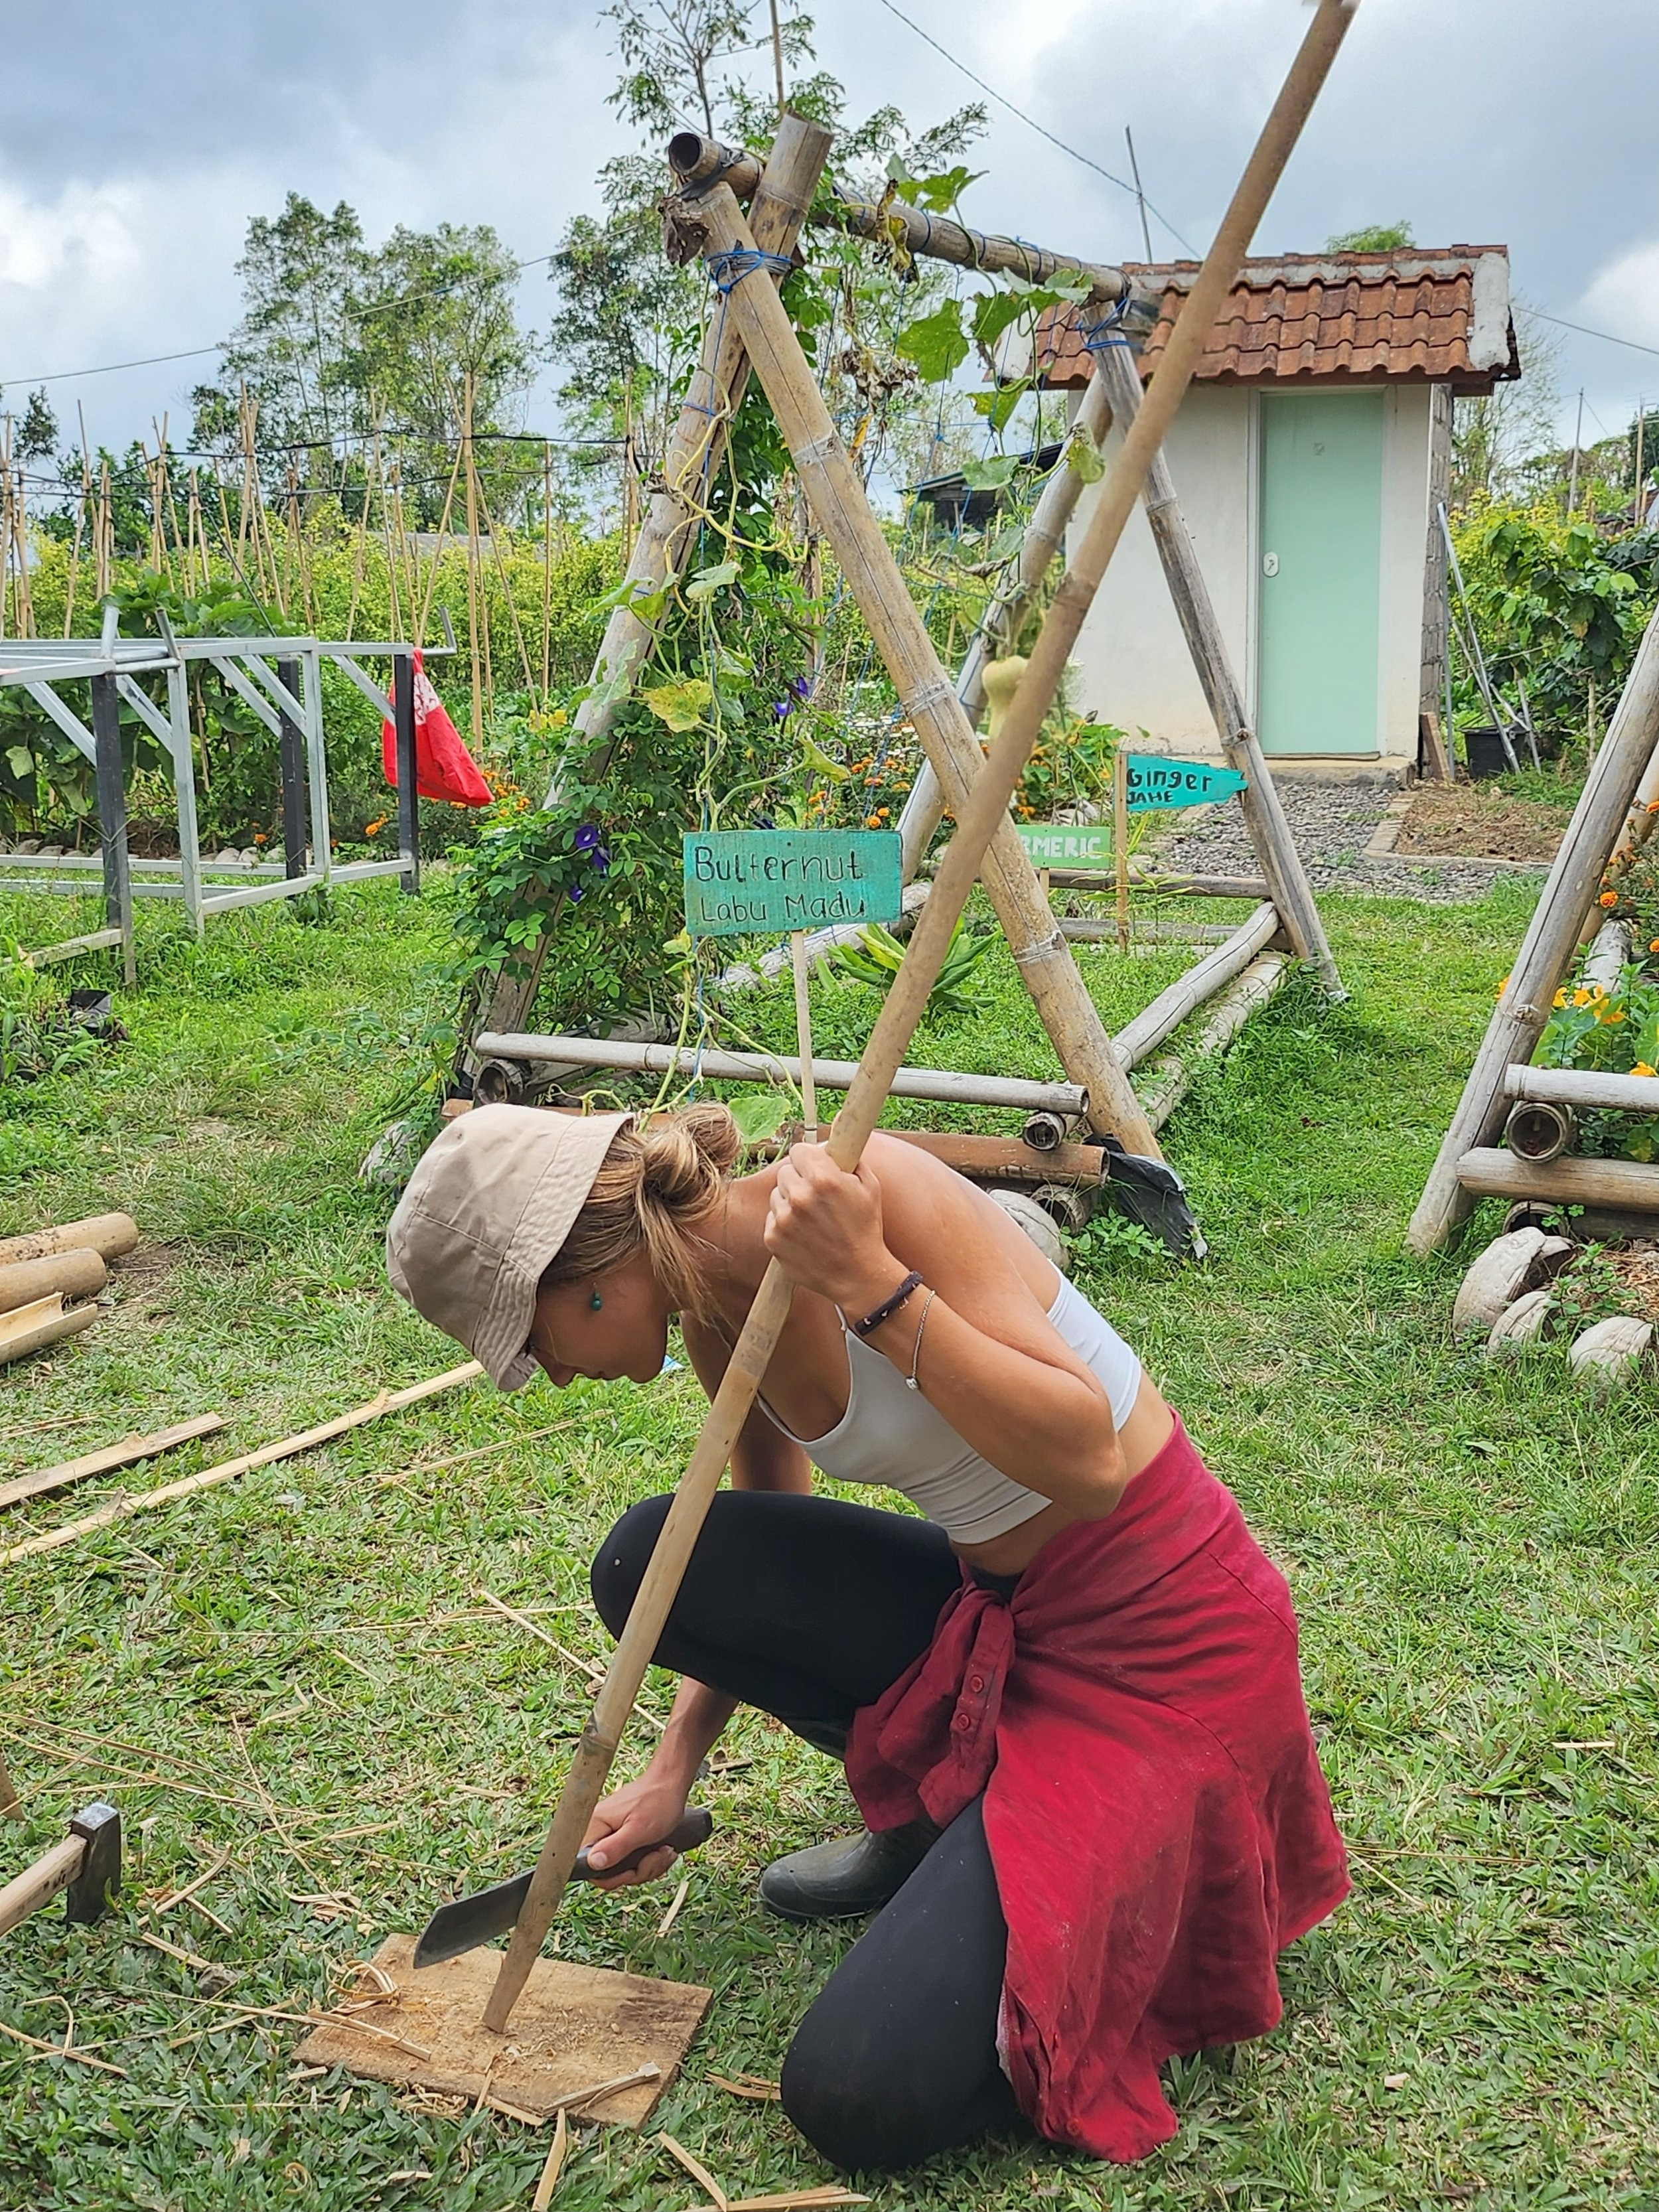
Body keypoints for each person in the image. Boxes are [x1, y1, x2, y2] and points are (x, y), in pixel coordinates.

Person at [387, 1102, 1348, 2172]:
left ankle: (1018, 1857)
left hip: (1165, 1644)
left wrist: (873, 1287)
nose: (553, 1377)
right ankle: (959, 1822)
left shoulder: (876, 1194)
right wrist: (673, 1766)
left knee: (854, 2089)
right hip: (1005, 1614)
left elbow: (1089, 1463)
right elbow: (769, 1542)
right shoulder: (715, 1310)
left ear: (591, 1270)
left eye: (534, 1343)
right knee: (655, 1559)